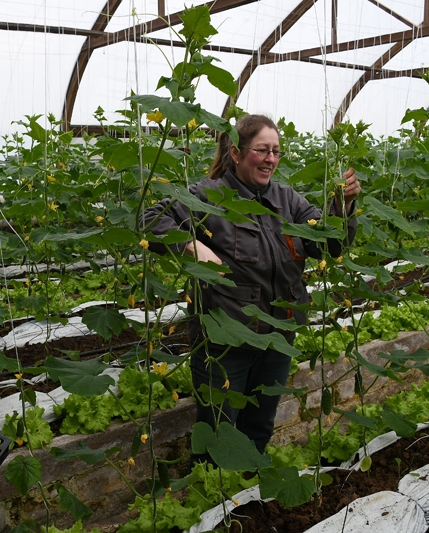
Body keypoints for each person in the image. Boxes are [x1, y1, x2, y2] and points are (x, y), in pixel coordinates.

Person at [142, 114, 361, 462]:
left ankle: (247, 485)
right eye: (262, 150)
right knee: (218, 430)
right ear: (236, 152)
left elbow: (329, 244)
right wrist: (192, 246)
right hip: (226, 338)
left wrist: (343, 207)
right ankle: (212, 490)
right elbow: (150, 220)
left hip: (277, 335)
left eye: (276, 151)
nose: (271, 159)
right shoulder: (209, 195)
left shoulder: (288, 200)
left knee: (259, 426)